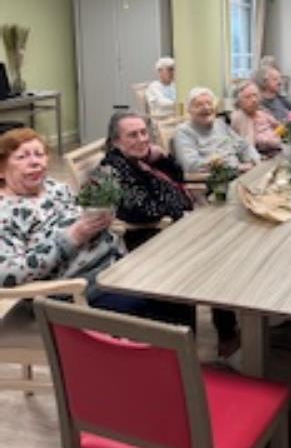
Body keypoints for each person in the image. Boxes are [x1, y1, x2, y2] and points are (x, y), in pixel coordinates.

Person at [0, 127, 193, 327]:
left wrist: (101, 219)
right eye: (22, 157)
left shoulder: (55, 188)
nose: (35, 162)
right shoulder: (4, 212)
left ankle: (178, 346)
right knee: (163, 300)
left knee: (178, 283)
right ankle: (163, 345)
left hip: (113, 267)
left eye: (39, 154)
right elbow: (7, 274)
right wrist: (71, 238)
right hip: (76, 292)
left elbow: (80, 216)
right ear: (2, 170)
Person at [98, 112, 194, 250]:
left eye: (144, 132)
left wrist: (163, 158)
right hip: (152, 240)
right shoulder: (113, 169)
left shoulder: (140, 158)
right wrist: (178, 205)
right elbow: (146, 210)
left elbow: (178, 178)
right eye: (133, 135)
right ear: (115, 141)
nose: (142, 139)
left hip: (176, 226)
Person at [173, 87, 259, 173]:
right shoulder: (184, 132)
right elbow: (192, 166)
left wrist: (255, 160)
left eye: (209, 103)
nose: (206, 108)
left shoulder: (220, 124)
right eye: (199, 105)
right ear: (189, 110)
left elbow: (244, 146)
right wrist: (235, 168)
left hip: (240, 172)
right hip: (219, 178)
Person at [230, 80, 282, 154]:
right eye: (248, 97)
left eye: (255, 95)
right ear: (239, 102)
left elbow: (279, 127)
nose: (254, 100)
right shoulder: (239, 116)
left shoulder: (263, 113)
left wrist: (276, 133)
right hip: (260, 156)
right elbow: (247, 147)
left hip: (277, 150)